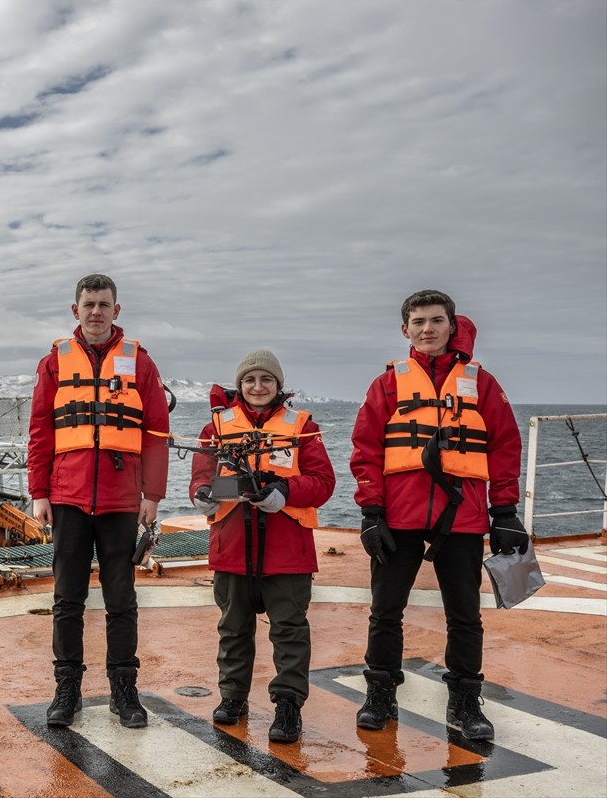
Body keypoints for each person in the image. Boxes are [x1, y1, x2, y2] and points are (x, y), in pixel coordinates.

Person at [350, 289, 524, 741]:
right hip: (398, 517)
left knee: (465, 615)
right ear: (404, 329)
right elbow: (366, 450)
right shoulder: (386, 384)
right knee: (385, 611)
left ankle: (466, 702)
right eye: (419, 321)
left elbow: (505, 446)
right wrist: (371, 512)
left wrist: (504, 510)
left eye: (437, 321)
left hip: (463, 516)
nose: (428, 329)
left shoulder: (482, 383)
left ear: (452, 325)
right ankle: (380, 694)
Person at [27, 273, 171, 729]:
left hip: (121, 501)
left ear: (116, 310)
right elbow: (40, 431)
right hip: (67, 498)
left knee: (121, 601)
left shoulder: (141, 365)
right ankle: (66, 691)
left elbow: (156, 436)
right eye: (88, 304)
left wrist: (153, 495)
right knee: (67, 600)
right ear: (76, 310)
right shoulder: (53, 363)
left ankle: (123, 692)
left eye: (103, 305)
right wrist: (39, 492)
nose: (95, 312)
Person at [188, 349, 335, 744]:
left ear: (278, 385)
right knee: (233, 628)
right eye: (250, 380)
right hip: (232, 546)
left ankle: (288, 705)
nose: (257, 386)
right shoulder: (215, 428)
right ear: (240, 385)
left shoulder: (304, 426)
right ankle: (233, 697)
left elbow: (323, 482)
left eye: (266, 379)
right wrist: (202, 493)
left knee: (289, 630)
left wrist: (284, 490)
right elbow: (202, 473)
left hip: (287, 551)